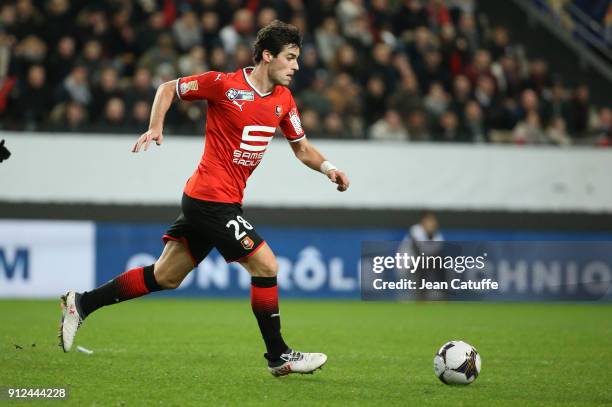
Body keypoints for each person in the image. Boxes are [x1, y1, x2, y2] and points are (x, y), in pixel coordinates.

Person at [59, 20, 350, 377]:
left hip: (215, 200)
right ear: (267, 56)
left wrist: (329, 168)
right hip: (210, 198)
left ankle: (81, 303)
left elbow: (301, 148)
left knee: (166, 276)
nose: (296, 66)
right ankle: (279, 356)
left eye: (297, 59)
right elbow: (168, 88)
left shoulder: (283, 100)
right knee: (267, 266)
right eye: (290, 58)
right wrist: (156, 126)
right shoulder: (223, 85)